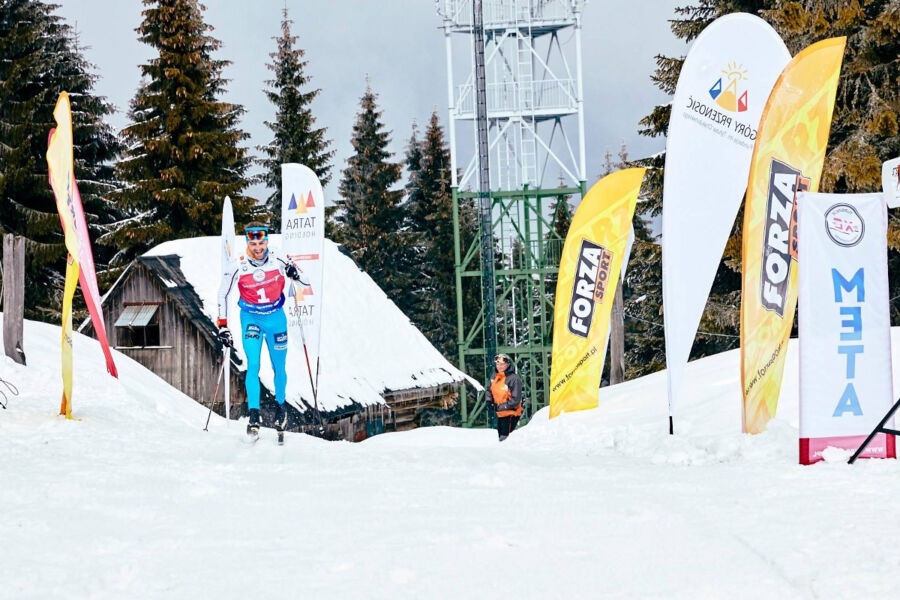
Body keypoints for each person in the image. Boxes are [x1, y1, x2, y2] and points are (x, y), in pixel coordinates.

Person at [216, 222, 308, 439]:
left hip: (276, 319)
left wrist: (294, 274)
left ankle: (280, 409)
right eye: (253, 243)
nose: (258, 248)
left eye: (261, 242)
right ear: (247, 242)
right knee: (253, 364)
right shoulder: (237, 263)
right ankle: (254, 414)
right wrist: (222, 325)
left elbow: (306, 281)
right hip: (251, 318)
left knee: (279, 367)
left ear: (267, 241)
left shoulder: (279, 258)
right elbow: (223, 294)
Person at [487, 353, 522, 441]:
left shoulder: (513, 378)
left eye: (502, 364)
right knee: (501, 438)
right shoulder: (495, 377)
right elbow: (488, 389)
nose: (500, 366)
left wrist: (500, 407)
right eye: (498, 364)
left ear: (508, 365)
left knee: (506, 439)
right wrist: (489, 402)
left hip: (511, 414)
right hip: (500, 414)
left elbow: (516, 399)